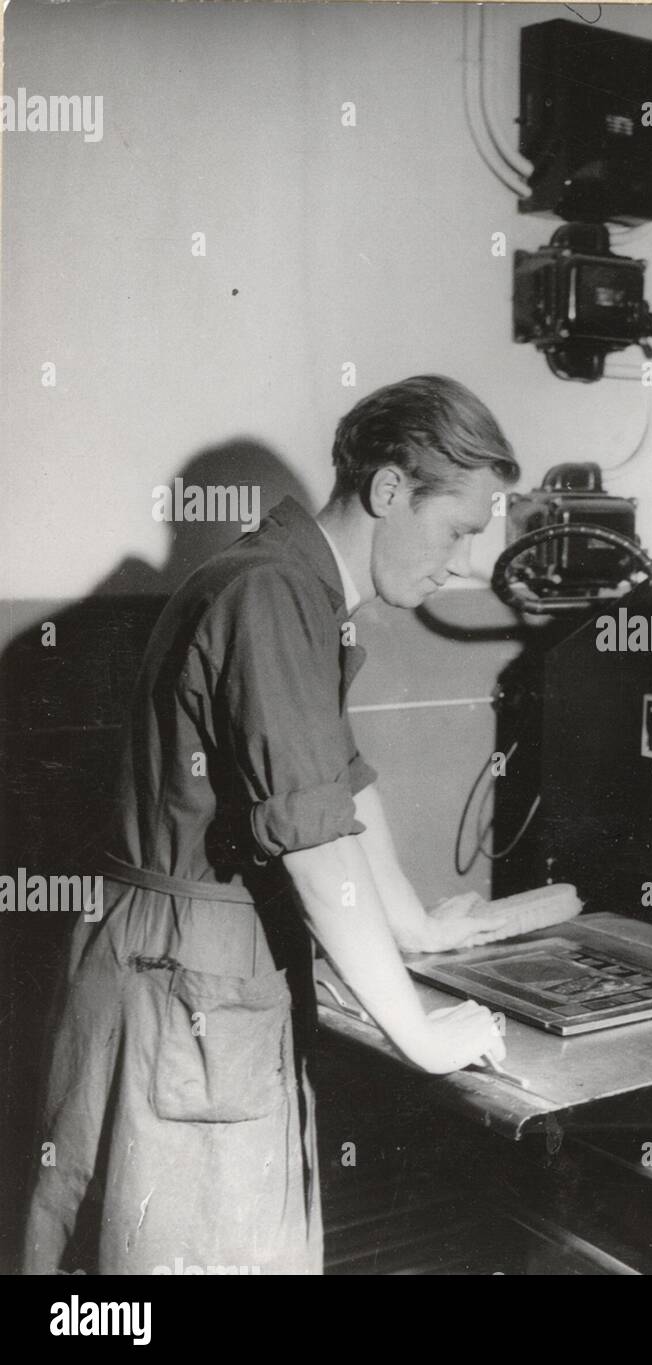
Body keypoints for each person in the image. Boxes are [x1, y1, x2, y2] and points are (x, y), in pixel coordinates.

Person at [24, 375, 520, 1275]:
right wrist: (420, 1031)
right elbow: (317, 838)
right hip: (190, 977)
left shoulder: (286, 587)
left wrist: (412, 925)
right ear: (390, 489)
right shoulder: (274, 596)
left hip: (171, 965)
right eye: (459, 529)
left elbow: (330, 778)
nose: (461, 563)